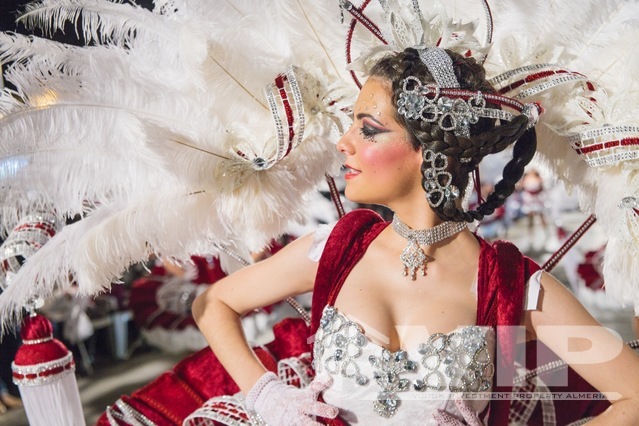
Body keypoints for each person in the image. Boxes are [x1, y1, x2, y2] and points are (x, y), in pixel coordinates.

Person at [192, 47, 639, 425]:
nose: (343, 142)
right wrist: (269, 396)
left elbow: (634, 397)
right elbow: (213, 304)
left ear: (430, 151)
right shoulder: (337, 248)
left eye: (368, 129)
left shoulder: (511, 284)